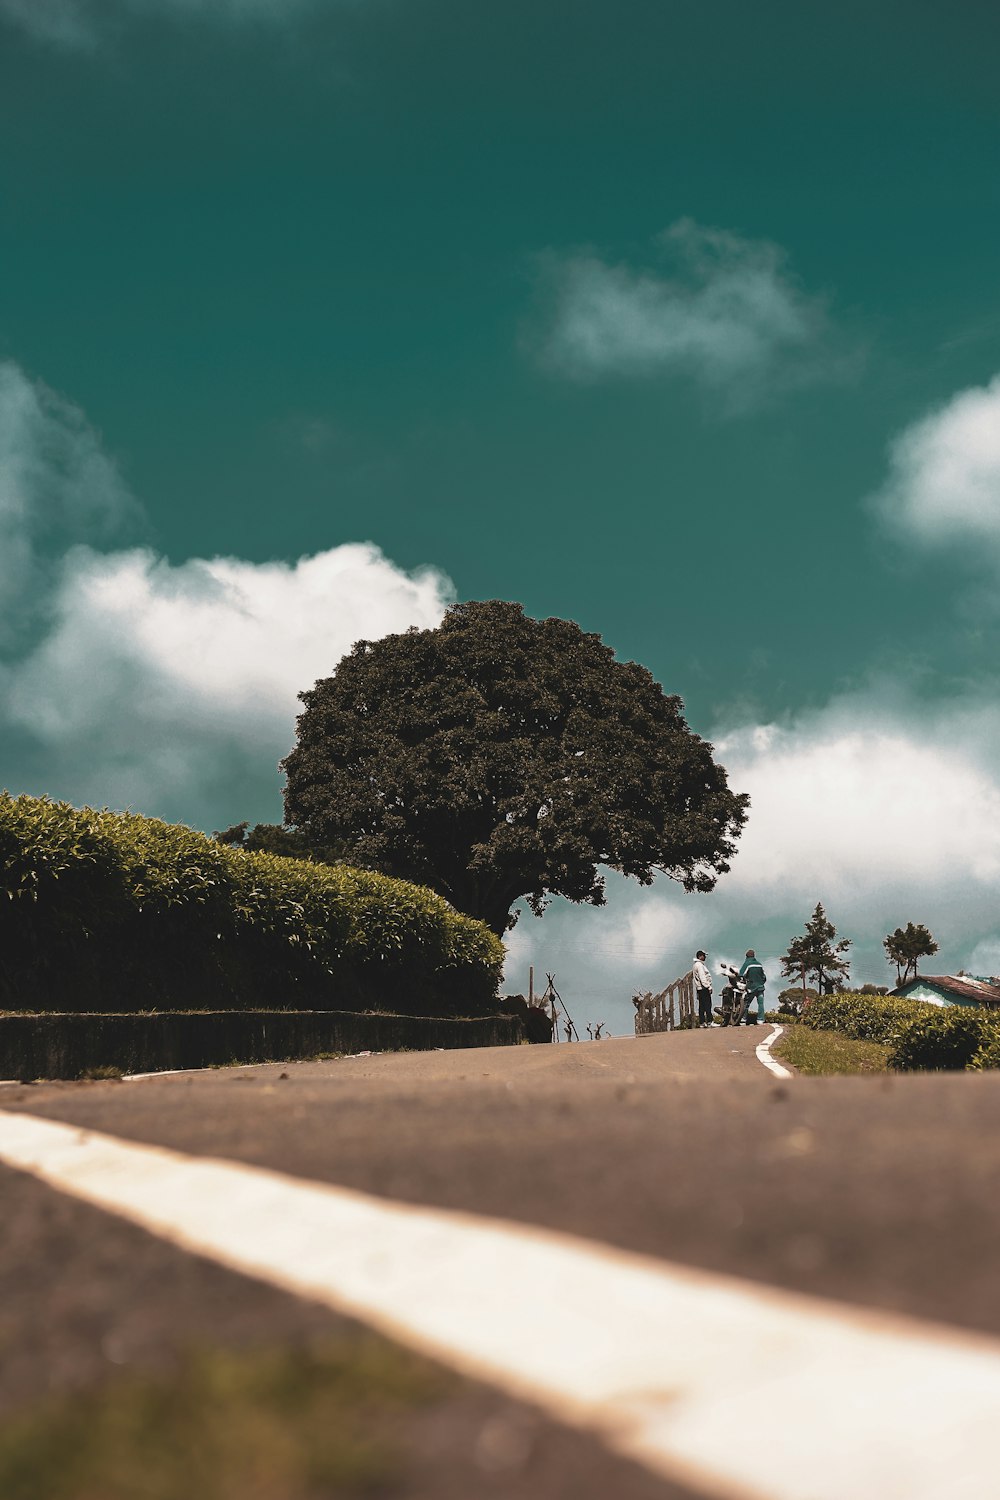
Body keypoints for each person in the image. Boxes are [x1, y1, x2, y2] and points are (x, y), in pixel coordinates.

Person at [739, 949, 767, 1025]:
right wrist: (761, 983)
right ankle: (760, 1019)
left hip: (751, 987)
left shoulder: (747, 963)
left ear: (747, 956)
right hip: (760, 987)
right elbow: (764, 977)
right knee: (760, 1003)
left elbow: (741, 974)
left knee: (746, 1003)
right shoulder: (759, 964)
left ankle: (743, 1019)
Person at [692, 950, 713, 1027]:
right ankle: (710, 1021)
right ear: (700, 956)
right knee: (707, 1004)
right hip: (704, 988)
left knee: (702, 1006)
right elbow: (702, 977)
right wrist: (708, 987)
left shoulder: (695, 965)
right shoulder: (700, 965)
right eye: (704, 956)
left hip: (699, 988)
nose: (705, 957)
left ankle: (702, 1022)